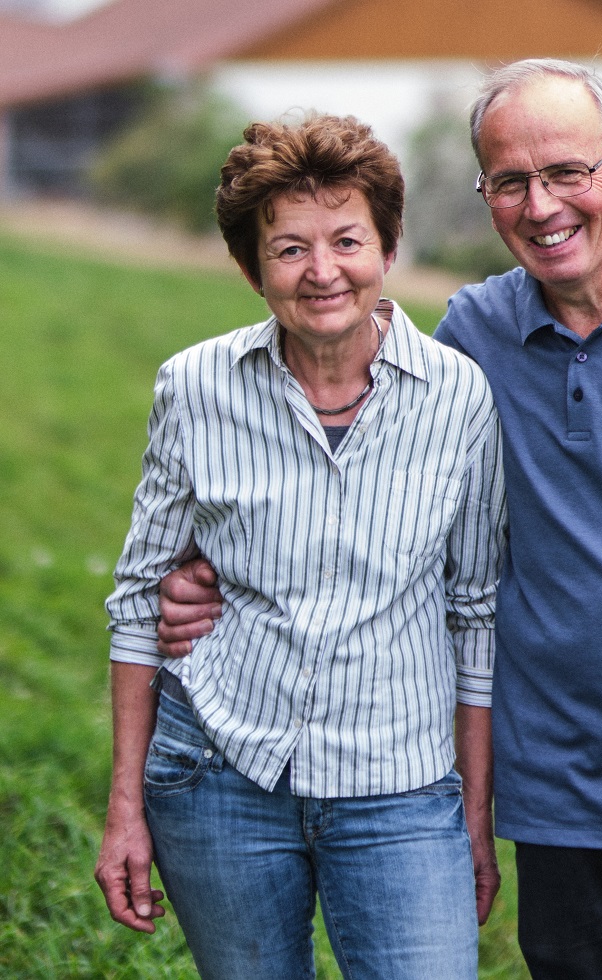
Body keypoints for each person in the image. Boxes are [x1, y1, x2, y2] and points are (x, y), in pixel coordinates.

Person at [158, 60, 602, 979]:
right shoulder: (475, 338)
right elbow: (359, 484)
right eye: (509, 182)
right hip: (563, 812)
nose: (540, 205)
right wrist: (213, 566)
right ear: (486, 197)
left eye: (566, 173)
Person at [94, 114, 506, 980]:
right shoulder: (195, 386)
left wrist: (474, 812)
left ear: (388, 246)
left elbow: (474, 611)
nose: (323, 272)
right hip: (218, 775)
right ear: (251, 268)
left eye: (348, 239)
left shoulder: (459, 398)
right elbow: (138, 600)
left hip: (400, 785)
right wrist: (124, 807)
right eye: (289, 249)